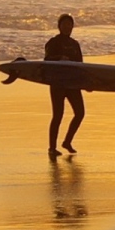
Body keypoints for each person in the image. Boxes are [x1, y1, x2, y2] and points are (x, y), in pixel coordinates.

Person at [44, 14, 85, 158]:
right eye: (65, 24)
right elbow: (46, 60)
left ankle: (67, 142)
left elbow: (81, 66)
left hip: (73, 83)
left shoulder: (75, 45)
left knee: (80, 113)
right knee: (58, 115)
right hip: (58, 83)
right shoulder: (53, 42)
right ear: (59, 26)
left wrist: (87, 83)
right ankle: (52, 148)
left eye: (70, 24)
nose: (68, 27)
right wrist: (59, 58)